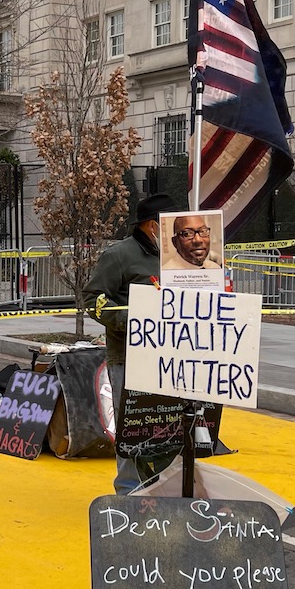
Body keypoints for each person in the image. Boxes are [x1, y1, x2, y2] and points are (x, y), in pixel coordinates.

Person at [83, 192, 177, 493]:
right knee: (132, 425)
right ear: (152, 226)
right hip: (128, 356)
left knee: (167, 424)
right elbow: (93, 298)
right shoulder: (119, 255)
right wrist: (130, 321)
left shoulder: (179, 256)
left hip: (170, 357)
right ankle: (129, 489)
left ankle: (164, 484)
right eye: (170, 223)